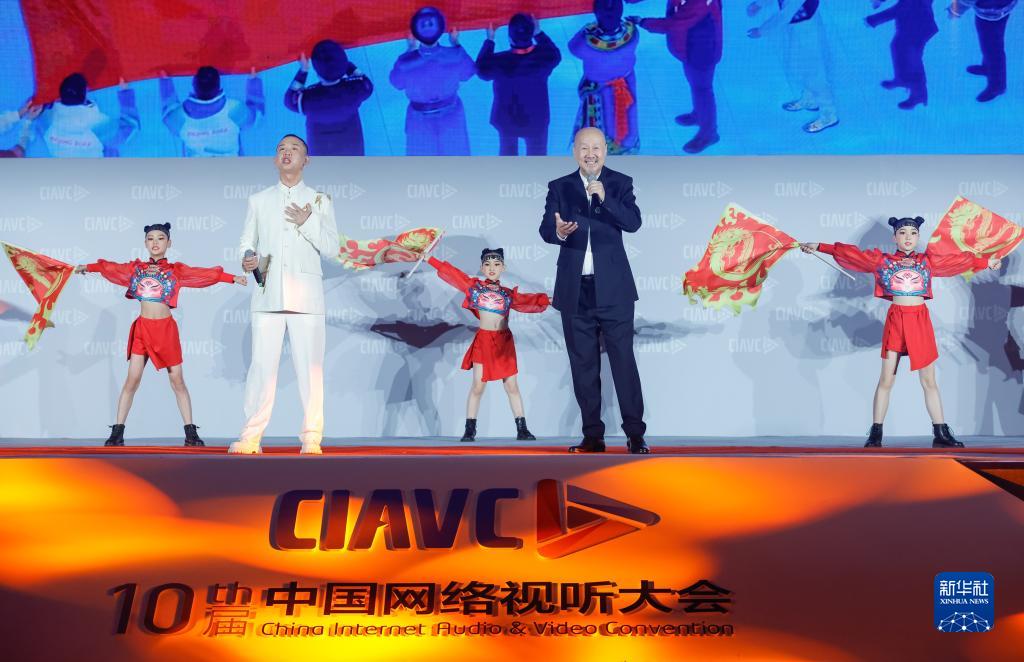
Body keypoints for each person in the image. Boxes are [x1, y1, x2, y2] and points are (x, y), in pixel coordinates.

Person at [802, 216, 1001, 448]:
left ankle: (941, 433)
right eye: (903, 233)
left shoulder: (927, 261)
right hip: (896, 318)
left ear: (918, 237)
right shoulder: (882, 261)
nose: (908, 237)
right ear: (894, 237)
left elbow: (959, 261)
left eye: (913, 233)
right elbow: (852, 254)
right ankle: (875, 433)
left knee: (929, 380)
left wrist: (987, 261)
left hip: (920, 320)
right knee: (886, 378)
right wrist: (819, 246)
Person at [74, 223, 246, 447]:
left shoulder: (175, 271)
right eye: (151, 238)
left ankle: (190, 433)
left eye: (161, 238)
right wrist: (86, 267)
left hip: (165, 331)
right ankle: (117, 432)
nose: (155, 242)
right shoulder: (136, 269)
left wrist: (232, 278)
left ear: (169, 243)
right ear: (145, 243)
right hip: (142, 330)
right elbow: (109, 267)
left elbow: (203, 274)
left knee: (177, 381)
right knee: (132, 380)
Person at [538, 127, 648, 454]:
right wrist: (558, 231)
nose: (590, 154)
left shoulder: (620, 183)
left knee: (623, 362)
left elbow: (633, 223)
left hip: (614, 290)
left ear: (605, 151)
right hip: (576, 290)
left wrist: (605, 198)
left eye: (596, 148)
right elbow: (545, 230)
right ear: (574, 152)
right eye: (584, 148)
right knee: (583, 365)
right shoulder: (559, 186)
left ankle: (635, 434)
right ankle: (592, 436)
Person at [230, 134, 340, 455]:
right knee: (261, 368)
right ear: (275, 159)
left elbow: (332, 248)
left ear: (306, 160)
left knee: (311, 370)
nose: (286, 153)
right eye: (281, 149)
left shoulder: (320, 200)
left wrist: (308, 222)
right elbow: (246, 242)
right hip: (268, 295)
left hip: (307, 298)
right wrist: (247, 258)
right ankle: (251, 436)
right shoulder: (259, 200)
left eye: (294, 149)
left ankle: (312, 437)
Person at [427, 246, 551, 441]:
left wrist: (552, 299)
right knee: (478, 385)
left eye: (496, 264)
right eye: (487, 264)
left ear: (503, 267)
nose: (492, 268)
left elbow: (530, 300)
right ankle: (470, 430)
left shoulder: (508, 294)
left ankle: (522, 429)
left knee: (512, 386)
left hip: (504, 343)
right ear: (482, 268)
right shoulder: (474, 288)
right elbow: (453, 273)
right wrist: (429, 259)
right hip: (484, 340)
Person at [638, 0, 723, 154]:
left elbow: (674, 24)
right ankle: (699, 114)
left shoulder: (699, 2)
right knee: (696, 85)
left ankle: (709, 132)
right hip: (691, 45)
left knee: (703, 89)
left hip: (702, 50)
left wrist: (643, 22)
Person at [389, 6, 476, 155]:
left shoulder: (404, 63)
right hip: (452, 113)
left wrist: (410, 49)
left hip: (419, 118)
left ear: (415, 34)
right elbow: (468, 73)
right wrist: (456, 43)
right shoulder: (456, 55)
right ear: (441, 31)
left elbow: (396, 83)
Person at [747, 0, 839, 133]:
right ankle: (811, 99)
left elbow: (785, 15)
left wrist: (762, 31)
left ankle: (829, 115)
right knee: (802, 67)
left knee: (813, 71)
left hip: (806, 27)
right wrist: (759, 4)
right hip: (800, 22)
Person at [476, 13, 561, 156]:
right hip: (536, 120)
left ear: (510, 38)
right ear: (532, 33)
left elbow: (481, 70)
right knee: (538, 158)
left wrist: (489, 40)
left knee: (508, 156)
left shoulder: (499, 62)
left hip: (506, 120)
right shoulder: (543, 58)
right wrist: (539, 34)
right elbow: (555, 54)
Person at [569, 0, 641, 154]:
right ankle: (628, 145)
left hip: (598, 88)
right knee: (628, 115)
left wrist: (588, 28)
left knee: (602, 119)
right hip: (626, 83)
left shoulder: (585, 43)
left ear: (596, 13)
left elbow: (572, 47)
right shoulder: (632, 32)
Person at [284, 40, 374, 155]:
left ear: (317, 73)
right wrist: (344, 64)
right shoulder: (356, 90)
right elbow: (366, 82)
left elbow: (289, 100)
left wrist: (303, 70)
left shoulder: (309, 99)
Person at [160, 65, 264, 157]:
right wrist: (254, 80)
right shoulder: (235, 110)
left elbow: (168, 112)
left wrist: (165, 81)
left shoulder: (179, 118)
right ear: (219, 85)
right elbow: (257, 117)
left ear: (193, 84)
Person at [34, 73, 139, 157]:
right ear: (85, 94)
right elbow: (131, 127)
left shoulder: (46, 120)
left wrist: (44, 105)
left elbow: (37, 116)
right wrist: (126, 94)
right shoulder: (98, 125)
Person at [865, 0, 938, 110]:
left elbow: (900, 9)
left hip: (919, 23)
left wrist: (874, 19)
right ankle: (902, 79)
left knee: (912, 57)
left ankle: (918, 94)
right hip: (911, 20)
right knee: (897, 46)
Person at [948, 0, 1018, 102]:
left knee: (993, 49)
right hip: (1000, 7)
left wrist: (954, 11)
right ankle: (988, 67)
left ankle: (998, 86)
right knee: (989, 44)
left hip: (990, 11)